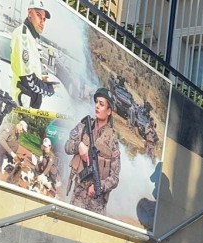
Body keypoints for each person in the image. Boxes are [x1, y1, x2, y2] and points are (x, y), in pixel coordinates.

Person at [65, 87, 121, 215]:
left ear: (109, 111)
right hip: (78, 196)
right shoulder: (84, 127)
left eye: (101, 104)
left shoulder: (113, 141)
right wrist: (78, 145)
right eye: (96, 102)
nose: (97, 106)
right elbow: (67, 146)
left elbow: (115, 178)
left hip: (97, 203)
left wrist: (99, 186)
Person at [11, 0, 55, 109]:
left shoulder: (31, 37)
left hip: (28, 104)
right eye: (38, 15)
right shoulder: (23, 35)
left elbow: (30, 71)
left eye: (44, 19)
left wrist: (42, 79)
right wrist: (47, 89)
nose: (42, 21)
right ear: (29, 13)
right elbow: (28, 80)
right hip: (21, 104)